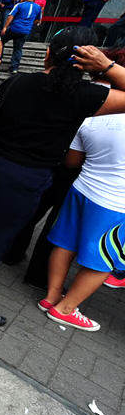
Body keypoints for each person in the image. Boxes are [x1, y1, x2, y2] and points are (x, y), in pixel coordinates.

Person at [0, 27, 125, 327]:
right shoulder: (87, 95)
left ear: (48, 53)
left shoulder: (20, 80)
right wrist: (108, 67)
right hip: (24, 177)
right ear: (88, 61)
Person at [40, 59, 125, 330]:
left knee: (65, 243)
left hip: (82, 188)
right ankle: (66, 308)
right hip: (115, 201)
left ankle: (52, 296)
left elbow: (72, 161)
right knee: (105, 260)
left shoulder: (91, 116)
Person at [1, 0, 42, 73]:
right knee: (18, 48)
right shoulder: (38, 7)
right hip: (25, 31)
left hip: (14, 28)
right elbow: (38, 20)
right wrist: (29, 24)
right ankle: (14, 68)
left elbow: (10, 16)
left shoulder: (19, 5)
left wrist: (5, 27)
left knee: (1, 41)